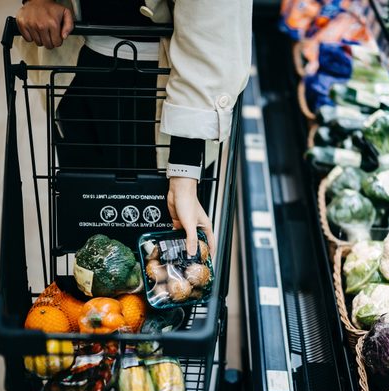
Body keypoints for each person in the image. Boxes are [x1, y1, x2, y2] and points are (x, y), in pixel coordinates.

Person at [15, 0, 252, 257]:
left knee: (169, 265)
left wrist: (185, 168)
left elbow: (211, 19)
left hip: (172, 90)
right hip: (76, 64)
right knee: (91, 252)